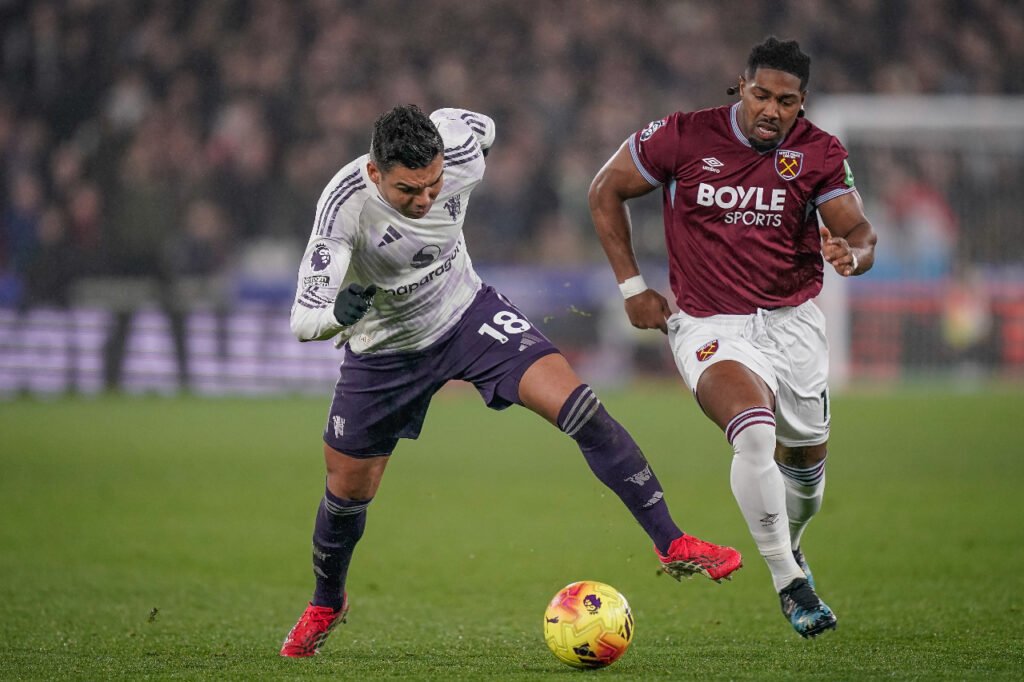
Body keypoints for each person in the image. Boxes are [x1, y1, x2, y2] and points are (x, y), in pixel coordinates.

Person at [279, 104, 743, 657]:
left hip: (466, 314)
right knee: (349, 489)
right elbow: (304, 320)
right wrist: (341, 311)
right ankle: (327, 603)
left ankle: (672, 542)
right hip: (384, 352)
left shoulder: (460, 150)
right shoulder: (343, 206)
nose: (426, 199)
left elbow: (484, 126)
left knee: (580, 407)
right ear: (375, 173)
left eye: (433, 184)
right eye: (409, 191)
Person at [588, 37, 878, 639]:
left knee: (805, 476)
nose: (772, 110)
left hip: (793, 326)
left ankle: (791, 544)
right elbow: (604, 189)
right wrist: (632, 287)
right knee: (753, 434)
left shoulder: (819, 152)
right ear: (740, 87)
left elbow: (860, 230)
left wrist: (854, 253)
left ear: (803, 104)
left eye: (787, 101)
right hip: (709, 324)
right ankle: (788, 584)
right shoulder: (682, 136)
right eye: (762, 95)